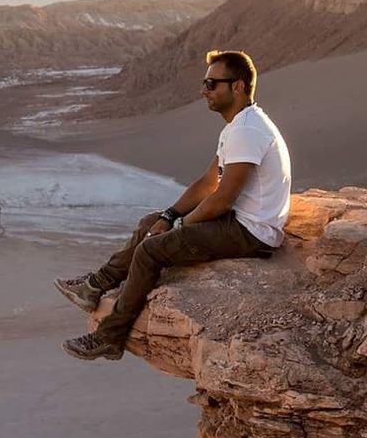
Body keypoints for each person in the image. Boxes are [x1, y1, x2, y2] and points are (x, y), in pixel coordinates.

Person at [57, 49, 291, 361]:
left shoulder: (248, 131)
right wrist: (168, 216)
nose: (203, 90)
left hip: (252, 233)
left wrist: (178, 228)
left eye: (211, 84)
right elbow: (208, 183)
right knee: (149, 223)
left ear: (237, 86)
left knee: (151, 249)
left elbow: (222, 199)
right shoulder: (237, 127)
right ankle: (95, 286)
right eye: (204, 83)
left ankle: (109, 338)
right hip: (238, 221)